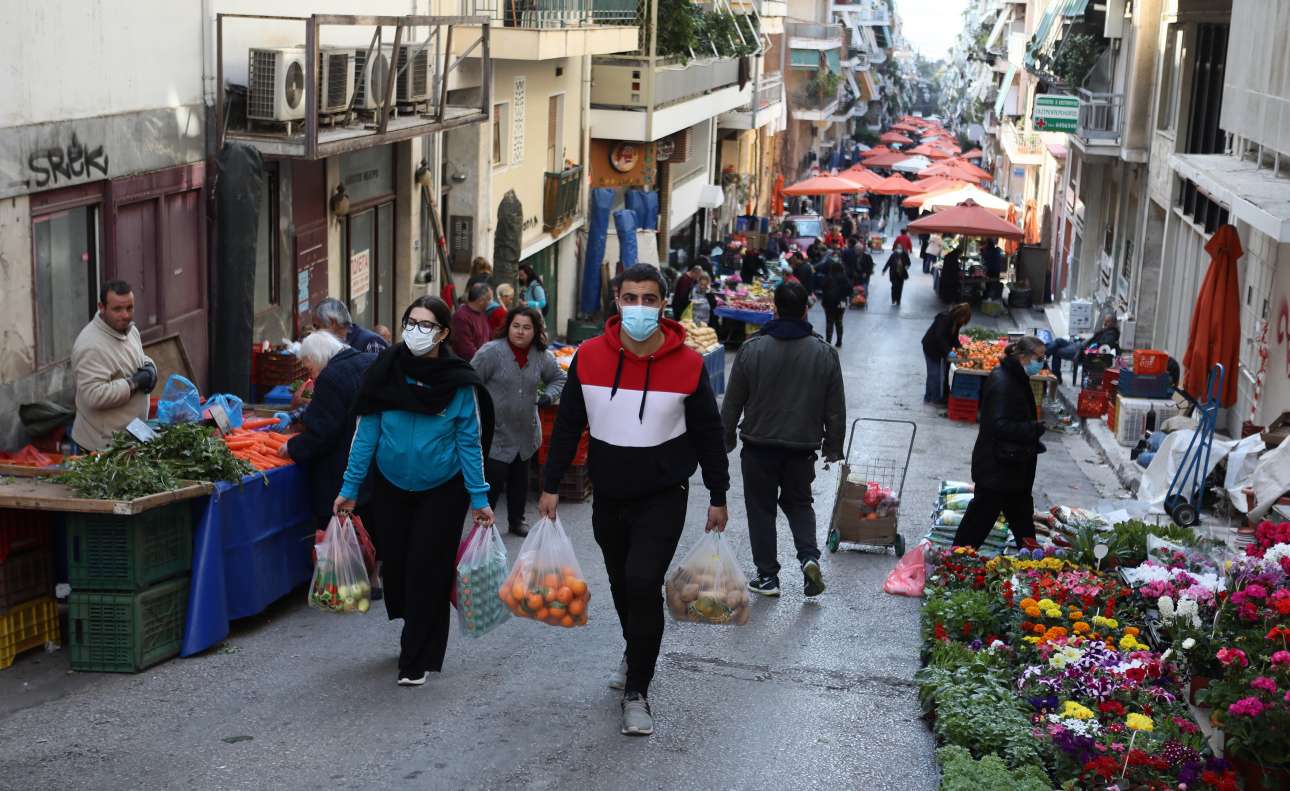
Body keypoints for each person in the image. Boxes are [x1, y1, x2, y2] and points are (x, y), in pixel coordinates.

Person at [539, 264, 729, 737]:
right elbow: (567, 425)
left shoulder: (687, 364)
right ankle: (635, 647)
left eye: (649, 298)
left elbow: (709, 432)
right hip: (610, 494)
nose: (639, 307)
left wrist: (718, 494)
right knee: (624, 586)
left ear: (664, 304)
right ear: (616, 302)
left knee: (644, 581)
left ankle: (637, 690)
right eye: (630, 297)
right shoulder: (588, 356)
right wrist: (549, 483)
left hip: (664, 495)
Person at [335, 296, 495, 687]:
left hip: (443, 488)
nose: (416, 331)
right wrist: (349, 488)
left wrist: (479, 497)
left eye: (427, 325)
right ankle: (414, 626)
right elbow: (365, 434)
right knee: (401, 568)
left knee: (429, 567)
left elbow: (469, 442)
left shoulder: (458, 383)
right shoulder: (384, 372)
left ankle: (417, 657)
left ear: (442, 333)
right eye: (411, 322)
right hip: (391, 486)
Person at [721, 281, 844, 597]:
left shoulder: (752, 350)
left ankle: (768, 577)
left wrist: (725, 442)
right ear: (806, 309)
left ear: (774, 309)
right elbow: (835, 410)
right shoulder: (825, 354)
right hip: (801, 450)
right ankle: (808, 560)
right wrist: (832, 448)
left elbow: (733, 402)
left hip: (758, 447)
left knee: (761, 510)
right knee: (800, 505)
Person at [470, 306, 566, 536]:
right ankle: (483, 524)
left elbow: (559, 378)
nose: (520, 332)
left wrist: (549, 395)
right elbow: (470, 380)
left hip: (526, 432)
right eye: (516, 326)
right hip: (495, 433)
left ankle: (516, 520)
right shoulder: (491, 352)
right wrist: (478, 412)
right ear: (507, 327)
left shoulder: (541, 355)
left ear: (535, 331)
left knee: (519, 481)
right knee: (491, 481)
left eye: (526, 328)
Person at [951, 336, 1046, 552]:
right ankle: (954, 560)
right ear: (1023, 357)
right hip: (998, 468)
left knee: (1021, 517)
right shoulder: (1005, 382)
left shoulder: (1014, 377)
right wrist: (1033, 428)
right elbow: (998, 426)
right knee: (979, 520)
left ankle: (1034, 560)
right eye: (1039, 358)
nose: (1042, 363)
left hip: (1012, 467)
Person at [281, 330, 377, 530]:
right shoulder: (368, 361)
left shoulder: (330, 377)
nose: (311, 376)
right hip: (372, 472)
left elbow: (322, 433)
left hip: (341, 474)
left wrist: (292, 446)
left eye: (310, 369)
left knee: (344, 540)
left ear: (317, 358)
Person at [69, 280, 158, 452]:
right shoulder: (90, 346)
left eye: (129, 308)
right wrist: (134, 383)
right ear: (101, 307)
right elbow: (94, 396)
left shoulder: (130, 330)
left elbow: (138, 358)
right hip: (102, 447)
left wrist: (150, 368)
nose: (125, 315)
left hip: (130, 439)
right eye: (117, 309)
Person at [921, 303, 972, 404]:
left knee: (940, 375)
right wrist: (949, 352)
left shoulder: (956, 323)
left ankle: (933, 396)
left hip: (941, 350)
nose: (963, 323)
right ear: (960, 315)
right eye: (964, 320)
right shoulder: (944, 319)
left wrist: (961, 349)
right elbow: (940, 337)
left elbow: (954, 339)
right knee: (934, 374)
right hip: (931, 348)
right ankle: (932, 398)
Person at [1047, 316, 1120, 384]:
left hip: (1081, 351)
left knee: (1056, 351)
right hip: (1080, 345)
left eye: (1107, 322)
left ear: (1113, 323)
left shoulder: (1111, 334)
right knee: (1058, 341)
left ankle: (1054, 373)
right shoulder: (1107, 331)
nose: (1105, 323)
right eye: (1105, 321)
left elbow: (1102, 346)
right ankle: (1045, 355)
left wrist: (1089, 344)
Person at [313, 298, 389, 354]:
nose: (316, 332)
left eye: (317, 327)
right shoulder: (331, 344)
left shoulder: (371, 343)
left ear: (332, 322)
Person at [450, 282, 494, 361]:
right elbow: (465, 349)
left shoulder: (482, 313)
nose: (491, 302)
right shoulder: (461, 317)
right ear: (481, 301)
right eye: (489, 299)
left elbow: (489, 337)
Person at [820, 261, 852, 347]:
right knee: (839, 322)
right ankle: (839, 341)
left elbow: (823, 289)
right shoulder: (844, 278)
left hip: (829, 303)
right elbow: (850, 290)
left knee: (829, 322)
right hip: (841, 303)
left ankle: (828, 341)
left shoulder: (828, 277)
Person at [881, 241, 913, 306]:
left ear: (902, 248)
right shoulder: (893, 255)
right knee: (894, 287)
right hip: (893, 274)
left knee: (900, 288)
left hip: (901, 274)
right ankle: (893, 299)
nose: (899, 249)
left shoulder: (905, 254)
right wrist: (884, 270)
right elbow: (888, 263)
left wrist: (906, 267)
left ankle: (898, 300)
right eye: (898, 248)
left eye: (900, 248)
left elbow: (909, 263)